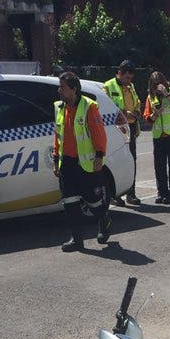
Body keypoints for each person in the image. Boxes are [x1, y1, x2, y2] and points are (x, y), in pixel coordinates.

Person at [52, 71, 111, 252]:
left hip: (85, 164)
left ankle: (104, 218)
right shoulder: (59, 107)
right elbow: (58, 135)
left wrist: (100, 156)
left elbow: (99, 134)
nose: (59, 91)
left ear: (74, 89)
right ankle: (77, 240)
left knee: (93, 202)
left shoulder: (88, 107)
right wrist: (56, 159)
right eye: (59, 87)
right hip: (67, 163)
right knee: (70, 203)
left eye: (63, 87)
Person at [102, 60, 142, 206]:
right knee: (116, 161)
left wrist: (136, 113)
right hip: (115, 130)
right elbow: (107, 106)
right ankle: (115, 194)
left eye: (131, 78)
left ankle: (131, 194)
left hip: (130, 128)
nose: (129, 81)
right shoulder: (108, 86)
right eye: (127, 77)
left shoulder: (130, 86)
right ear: (120, 73)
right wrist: (125, 113)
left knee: (131, 160)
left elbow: (137, 102)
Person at [142, 71, 170, 206]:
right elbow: (147, 118)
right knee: (159, 167)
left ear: (164, 83)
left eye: (159, 84)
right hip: (159, 137)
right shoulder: (150, 97)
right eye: (154, 85)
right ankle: (162, 193)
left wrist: (166, 95)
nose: (157, 88)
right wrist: (154, 115)